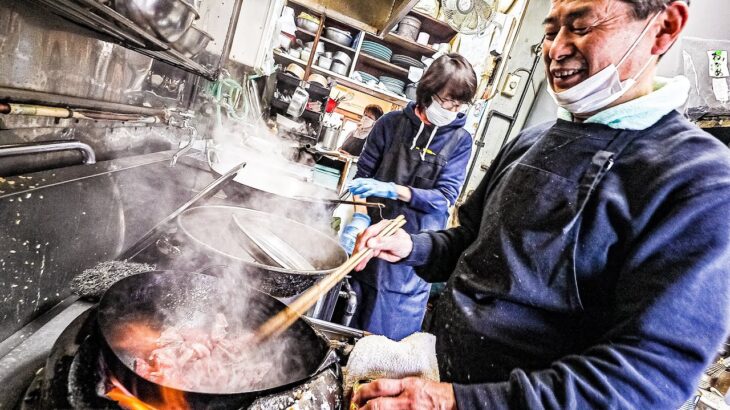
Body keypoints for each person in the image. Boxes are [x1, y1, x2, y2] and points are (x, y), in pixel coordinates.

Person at [350, 0, 730, 408]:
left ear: (664, 28)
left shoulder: (701, 179)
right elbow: (471, 243)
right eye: (551, 33)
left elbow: (648, 377)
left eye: (581, 28)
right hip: (441, 371)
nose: (557, 49)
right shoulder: (532, 140)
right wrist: (413, 247)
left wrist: (454, 402)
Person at [343, 54, 477, 341]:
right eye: (447, 101)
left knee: (387, 349)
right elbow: (361, 177)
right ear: (428, 91)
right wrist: (359, 216)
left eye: (459, 104)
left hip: (412, 259)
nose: (453, 109)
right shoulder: (390, 124)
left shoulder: (460, 141)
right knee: (346, 327)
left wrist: (394, 190)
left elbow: (444, 197)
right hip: (370, 244)